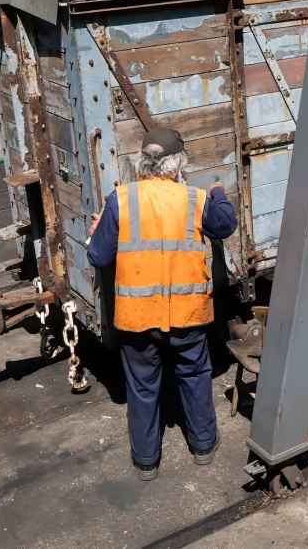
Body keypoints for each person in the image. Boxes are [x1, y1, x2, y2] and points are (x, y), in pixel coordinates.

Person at [87, 126, 238, 481]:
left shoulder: (120, 200)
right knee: (195, 375)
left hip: (138, 316)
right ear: (177, 163)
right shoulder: (196, 198)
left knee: (141, 386)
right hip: (187, 314)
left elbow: (98, 257)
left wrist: (101, 230)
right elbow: (225, 224)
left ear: (143, 162)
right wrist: (218, 191)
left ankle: (146, 462)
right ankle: (203, 446)